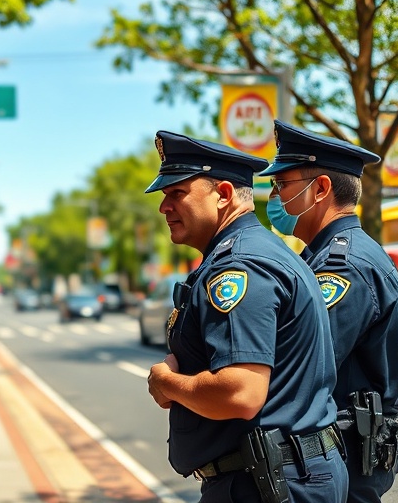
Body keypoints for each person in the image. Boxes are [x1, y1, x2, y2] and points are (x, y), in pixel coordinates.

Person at [144, 130, 347, 503]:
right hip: (281, 476)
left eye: (177, 193)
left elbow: (240, 393)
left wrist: (166, 382)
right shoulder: (257, 250)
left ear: (223, 195)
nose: (164, 207)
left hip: (267, 485)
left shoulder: (239, 266)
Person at [260, 120, 398, 502]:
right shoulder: (327, 257)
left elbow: (301, 363)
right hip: (337, 451)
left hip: (343, 455)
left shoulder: (344, 267)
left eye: (283, 185)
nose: (274, 196)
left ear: (321, 189)